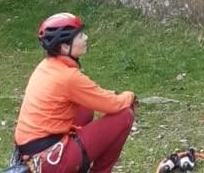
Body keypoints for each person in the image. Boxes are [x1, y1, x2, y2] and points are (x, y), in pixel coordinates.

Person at [13, 13, 136, 171]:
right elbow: (113, 105)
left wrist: (110, 93)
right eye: (80, 36)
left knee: (85, 107)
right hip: (51, 160)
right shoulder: (68, 77)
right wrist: (130, 96)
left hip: (32, 156)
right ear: (65, 47)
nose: (86, 38)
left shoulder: (46, 66)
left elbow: (93, 95)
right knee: (125, 115)